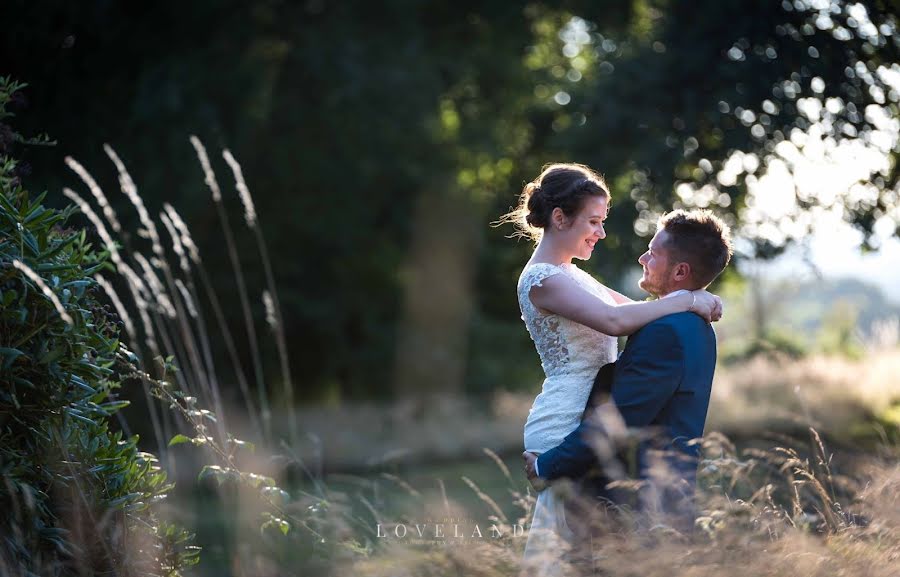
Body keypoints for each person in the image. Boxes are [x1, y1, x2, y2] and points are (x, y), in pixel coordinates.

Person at [501, 163, 723, 575]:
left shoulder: (572, 275)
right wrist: (691, 300)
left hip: (592, 407)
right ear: (559, 217)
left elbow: (635, 309)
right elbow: (616, 323)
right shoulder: (542, 280)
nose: (601, 233)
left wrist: (687, 298)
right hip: (567, 414)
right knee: (567, 546)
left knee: (583, 545)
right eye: (594, 221)